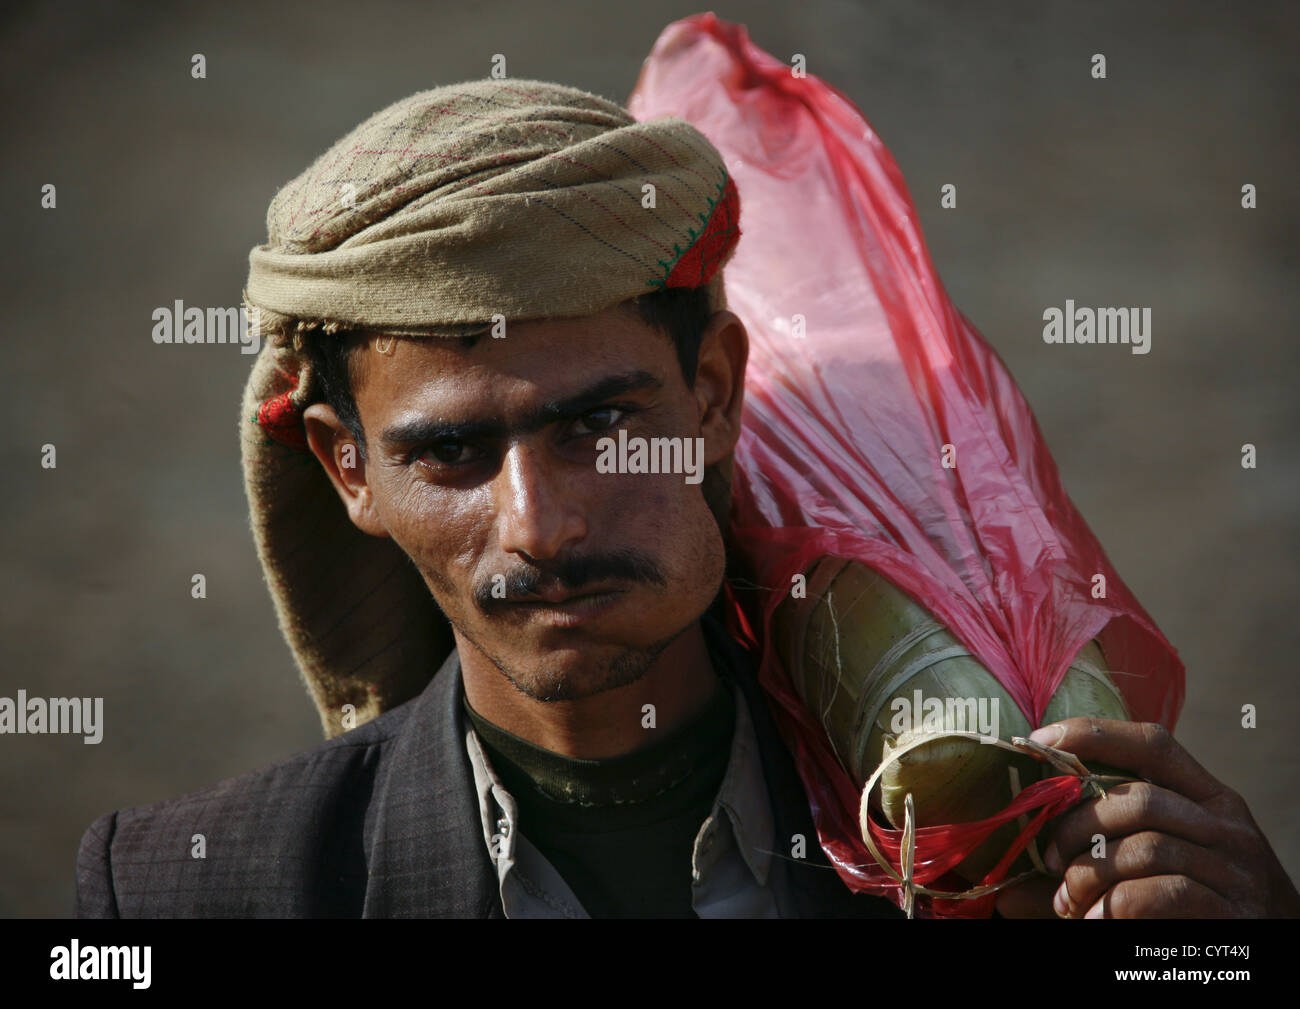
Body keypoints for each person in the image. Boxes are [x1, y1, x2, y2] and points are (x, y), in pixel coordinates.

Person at [75, 79, 1297, 919]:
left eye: (600, 424)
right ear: (349, 469)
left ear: (712, 393)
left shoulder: (984, 827)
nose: (540, 526)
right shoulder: (188, 890)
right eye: (449, 453)